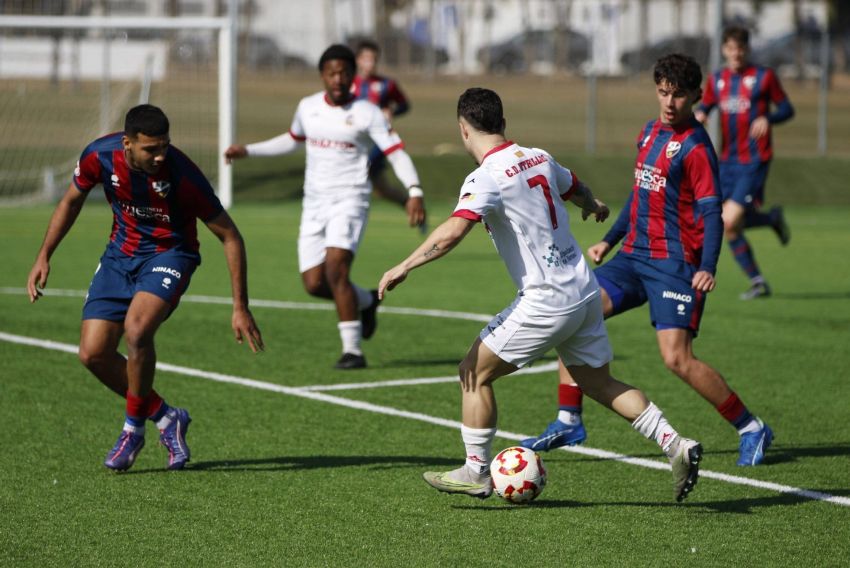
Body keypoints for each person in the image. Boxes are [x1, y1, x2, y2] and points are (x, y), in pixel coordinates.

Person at [378, 87, 703, 502]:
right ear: (503, 123)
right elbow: (577, 188)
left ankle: (476, 471)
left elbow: (453, 231)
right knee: (597, 382)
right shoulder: (539, 156)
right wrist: (597, 205)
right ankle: (676, 444)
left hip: (547, 299)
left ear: (463, 130)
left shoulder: (485, 176)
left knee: (472, 373)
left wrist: (405, 265)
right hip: (585, 291)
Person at [520, 54, 773, 467]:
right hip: (633, 256)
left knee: (677, 359)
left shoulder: (695, 148)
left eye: (679, 95)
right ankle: (568, 418)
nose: (670, 102)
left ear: (696, 96)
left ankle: (751, 427)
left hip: (674, 264)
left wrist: (708, 265)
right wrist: (609, 240)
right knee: (571, 314)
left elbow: (712, 212)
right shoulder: (648, 132)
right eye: (663, 92)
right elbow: (640, 195)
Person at [27, 104, 264, 472]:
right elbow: (71, 201)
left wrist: (240, 306)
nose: (159, 155)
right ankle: (167, 418)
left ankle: (132, 429)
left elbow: (230, 236)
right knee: (92, 353)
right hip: (119, 256)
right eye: (150, 148)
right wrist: (44, 254)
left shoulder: (183, 175)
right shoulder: (99, 157)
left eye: (164, 146)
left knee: (137, 331)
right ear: (127, 144)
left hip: (171, 254)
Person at [225, 44, 426, 370]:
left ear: (352, 77)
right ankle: (366, 302)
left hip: (350, 200)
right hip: (314, 203)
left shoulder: (367, 111)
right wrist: (249, 151)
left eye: (344, 72)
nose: (338, 78)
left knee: (336, 271)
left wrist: (414, 190)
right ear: (322, 75)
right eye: (331, 72)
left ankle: (353, 351)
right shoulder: (308, 107)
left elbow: (395, 151)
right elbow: (292, 139)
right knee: (315, 283)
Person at [695, 26, 794, 300]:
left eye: (740, 48)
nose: (735, 53)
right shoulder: (717, 81)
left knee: (728, 220)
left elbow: (787, 108)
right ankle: (758, 280)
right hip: (727, 162)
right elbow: (705, 106)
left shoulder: (764, 77)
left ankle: (769, 223)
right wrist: (700, 115)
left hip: (754, 159)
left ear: (747, 49)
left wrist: (768, 119)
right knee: (730, 226)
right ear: (724, 50)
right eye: (730, 48)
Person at [351, 39, 415, 209]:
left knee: (360, 172)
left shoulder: (387, 85)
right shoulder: (348, 84)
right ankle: (409, 204)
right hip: (354, 139)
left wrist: (391, 111)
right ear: (358, 60)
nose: (370, 63)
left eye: (373, 59)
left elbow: (405, 105)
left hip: (378, 140)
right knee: (382, 189)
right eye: (366, 59)